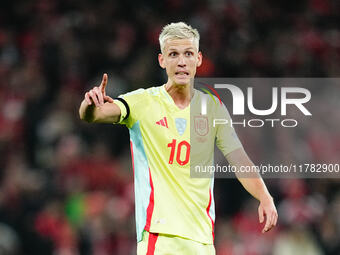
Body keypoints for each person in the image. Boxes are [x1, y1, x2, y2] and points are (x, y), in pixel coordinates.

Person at [79, 22, 278, 255]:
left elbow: (239, 159)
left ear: (199, 59)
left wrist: (264, 196)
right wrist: (89, 104)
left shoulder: (213, 108)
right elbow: (95, 115)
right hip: (160, 237)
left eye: (188, 54)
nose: (182, 61)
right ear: (162, 60)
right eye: (173, 54)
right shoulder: (142, 102)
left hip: (202, 240)